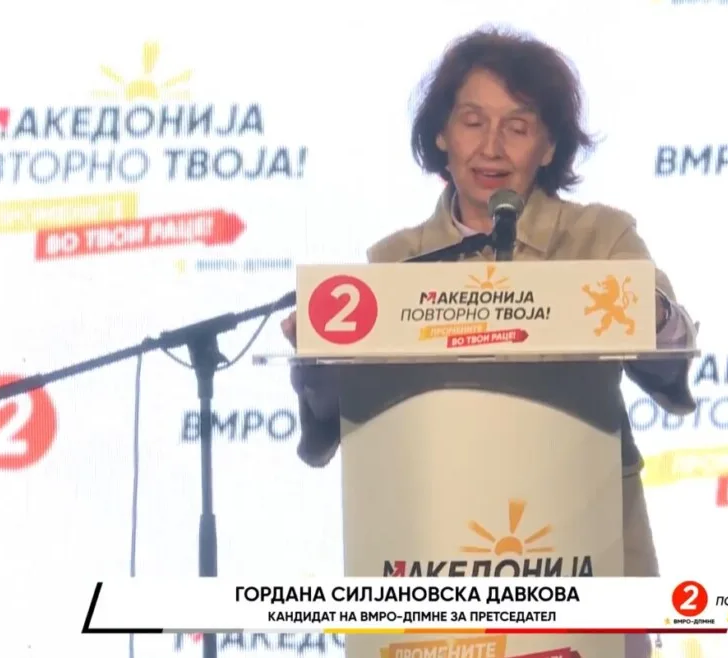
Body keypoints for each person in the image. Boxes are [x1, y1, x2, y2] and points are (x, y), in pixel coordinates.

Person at [281, 27, 698, 658]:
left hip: (586, 568)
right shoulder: (394, 264)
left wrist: (651, 311)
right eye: (473, 122)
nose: (492, 147)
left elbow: (667, 361)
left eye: (518, 127)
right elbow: (338, 418)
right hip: (432, 576)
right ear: (441, 135)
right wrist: (318, 359)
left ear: (549, 145)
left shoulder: (599, 238)